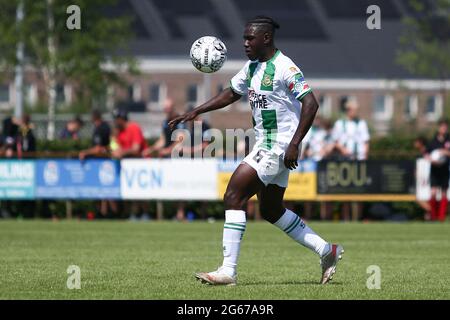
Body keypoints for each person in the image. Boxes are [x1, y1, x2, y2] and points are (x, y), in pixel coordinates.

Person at [169, 16, 343, 286]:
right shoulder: (252, 68)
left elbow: (311, 104)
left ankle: (228, 270)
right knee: (271, 211)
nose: (245, 43)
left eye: (250, 38)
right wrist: (197, 110)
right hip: (270, 145)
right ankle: (326, 250)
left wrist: (295, 143)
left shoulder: (285, 67)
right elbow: (230, 93)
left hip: (279, 145)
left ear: (266, 38)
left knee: (233, 195)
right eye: (244, 38)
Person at [332, 98, 370, 221]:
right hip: (344, 160)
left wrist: (364, 155)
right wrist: (343, 150)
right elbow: (335, 142)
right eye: (353, 110)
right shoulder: (339, 123)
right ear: (348, 110)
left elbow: (365, 142)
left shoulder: (361, 123)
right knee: (345, 191)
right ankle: (346, 217)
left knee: (359, 190)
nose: (354, 112)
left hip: (358, 160)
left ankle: (358, 217)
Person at [112, 108, 150, 220]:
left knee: (142, 192)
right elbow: (115, 148)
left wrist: (121, 152)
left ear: (121, 119)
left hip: (142, 163)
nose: (114, 122)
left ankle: (145, 213)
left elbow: (136, 149)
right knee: (131, 192)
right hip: (129, 164)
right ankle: (134, 214)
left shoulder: (133, 127)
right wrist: (113, 141)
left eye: (116, 119)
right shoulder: (119, 132)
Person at [426, 119, 450, 222]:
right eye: (442, 127)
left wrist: (445, 152)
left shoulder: (448, 141)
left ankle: (441, 217)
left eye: (445, 127)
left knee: (444, 193)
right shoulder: (433, 141)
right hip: (435, 170)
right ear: (439, 128)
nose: (443, 129)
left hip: (445, 170)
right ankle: (433, 216)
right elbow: (426, 154)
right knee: (433, 192)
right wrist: (431, 159)